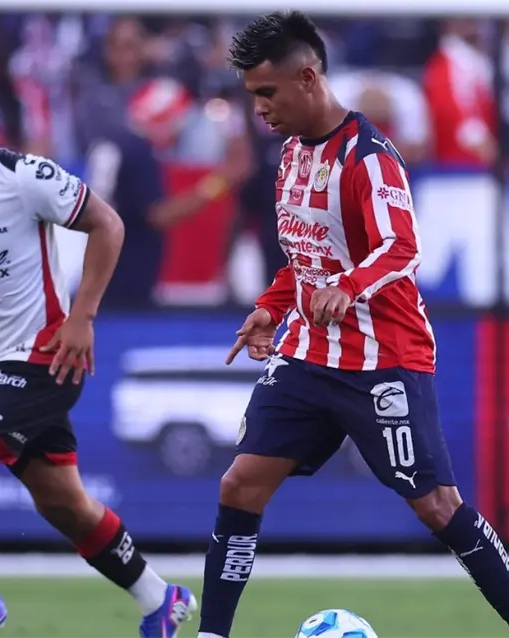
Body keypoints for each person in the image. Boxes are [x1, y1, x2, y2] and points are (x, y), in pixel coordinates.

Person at [196, 12, 509, 638]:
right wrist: (270, 307)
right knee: (240, 484)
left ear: (308, 78)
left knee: (436, 505)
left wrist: (348, 286)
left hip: (384, 357)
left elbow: (401, 247)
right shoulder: (291, 155)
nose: (259, 108)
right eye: (252, 94)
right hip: (309, 354)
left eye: (267, 92)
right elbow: (304, 257)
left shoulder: (368, 156)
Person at [0, 62, 196, 638]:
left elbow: (109, 224)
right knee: (62, 503)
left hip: (47, 357)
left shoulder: (23, 176)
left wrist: (82, 317)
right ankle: (160, 599)